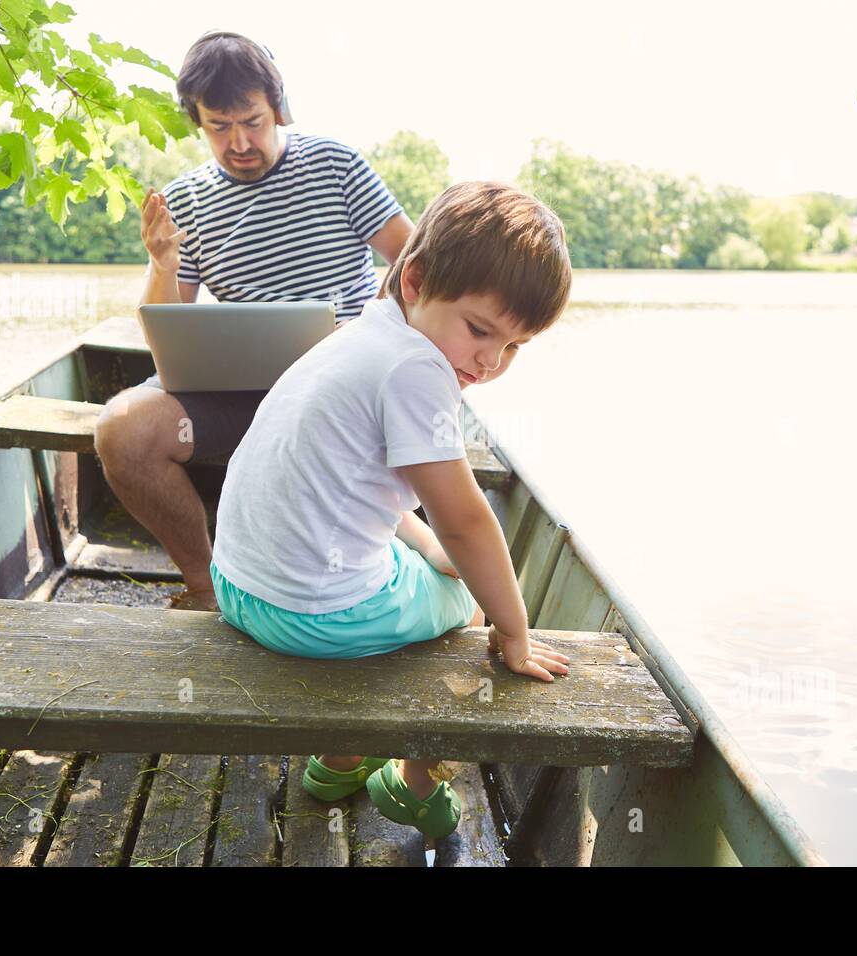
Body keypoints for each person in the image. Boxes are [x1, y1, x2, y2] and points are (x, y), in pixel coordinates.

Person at [209, 181, 574, 837]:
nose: (490, 362)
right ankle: (411, 780)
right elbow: (465, 521)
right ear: (415, 281)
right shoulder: (416, 369)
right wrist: (513, 632)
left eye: (514, 347)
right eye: (479, 330)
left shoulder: (362, 334)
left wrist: (428, 548)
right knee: (467, 612)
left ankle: (340, 761)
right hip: (307, 614)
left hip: (236, 585)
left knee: (445, 568)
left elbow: (350, 488)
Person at [93, 31, 413, 611]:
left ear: (278, 107)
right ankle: (208, 584)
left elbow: (417, 264)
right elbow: (167, 324)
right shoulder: (186, 201)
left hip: (342, 389)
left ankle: (347, 587)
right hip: (240, 398)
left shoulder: (335, 163)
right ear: (197, 120)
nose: (239, 141)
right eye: (219, 125)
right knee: (124, 428)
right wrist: (161, 264)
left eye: (253, 120)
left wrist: (369, 325)